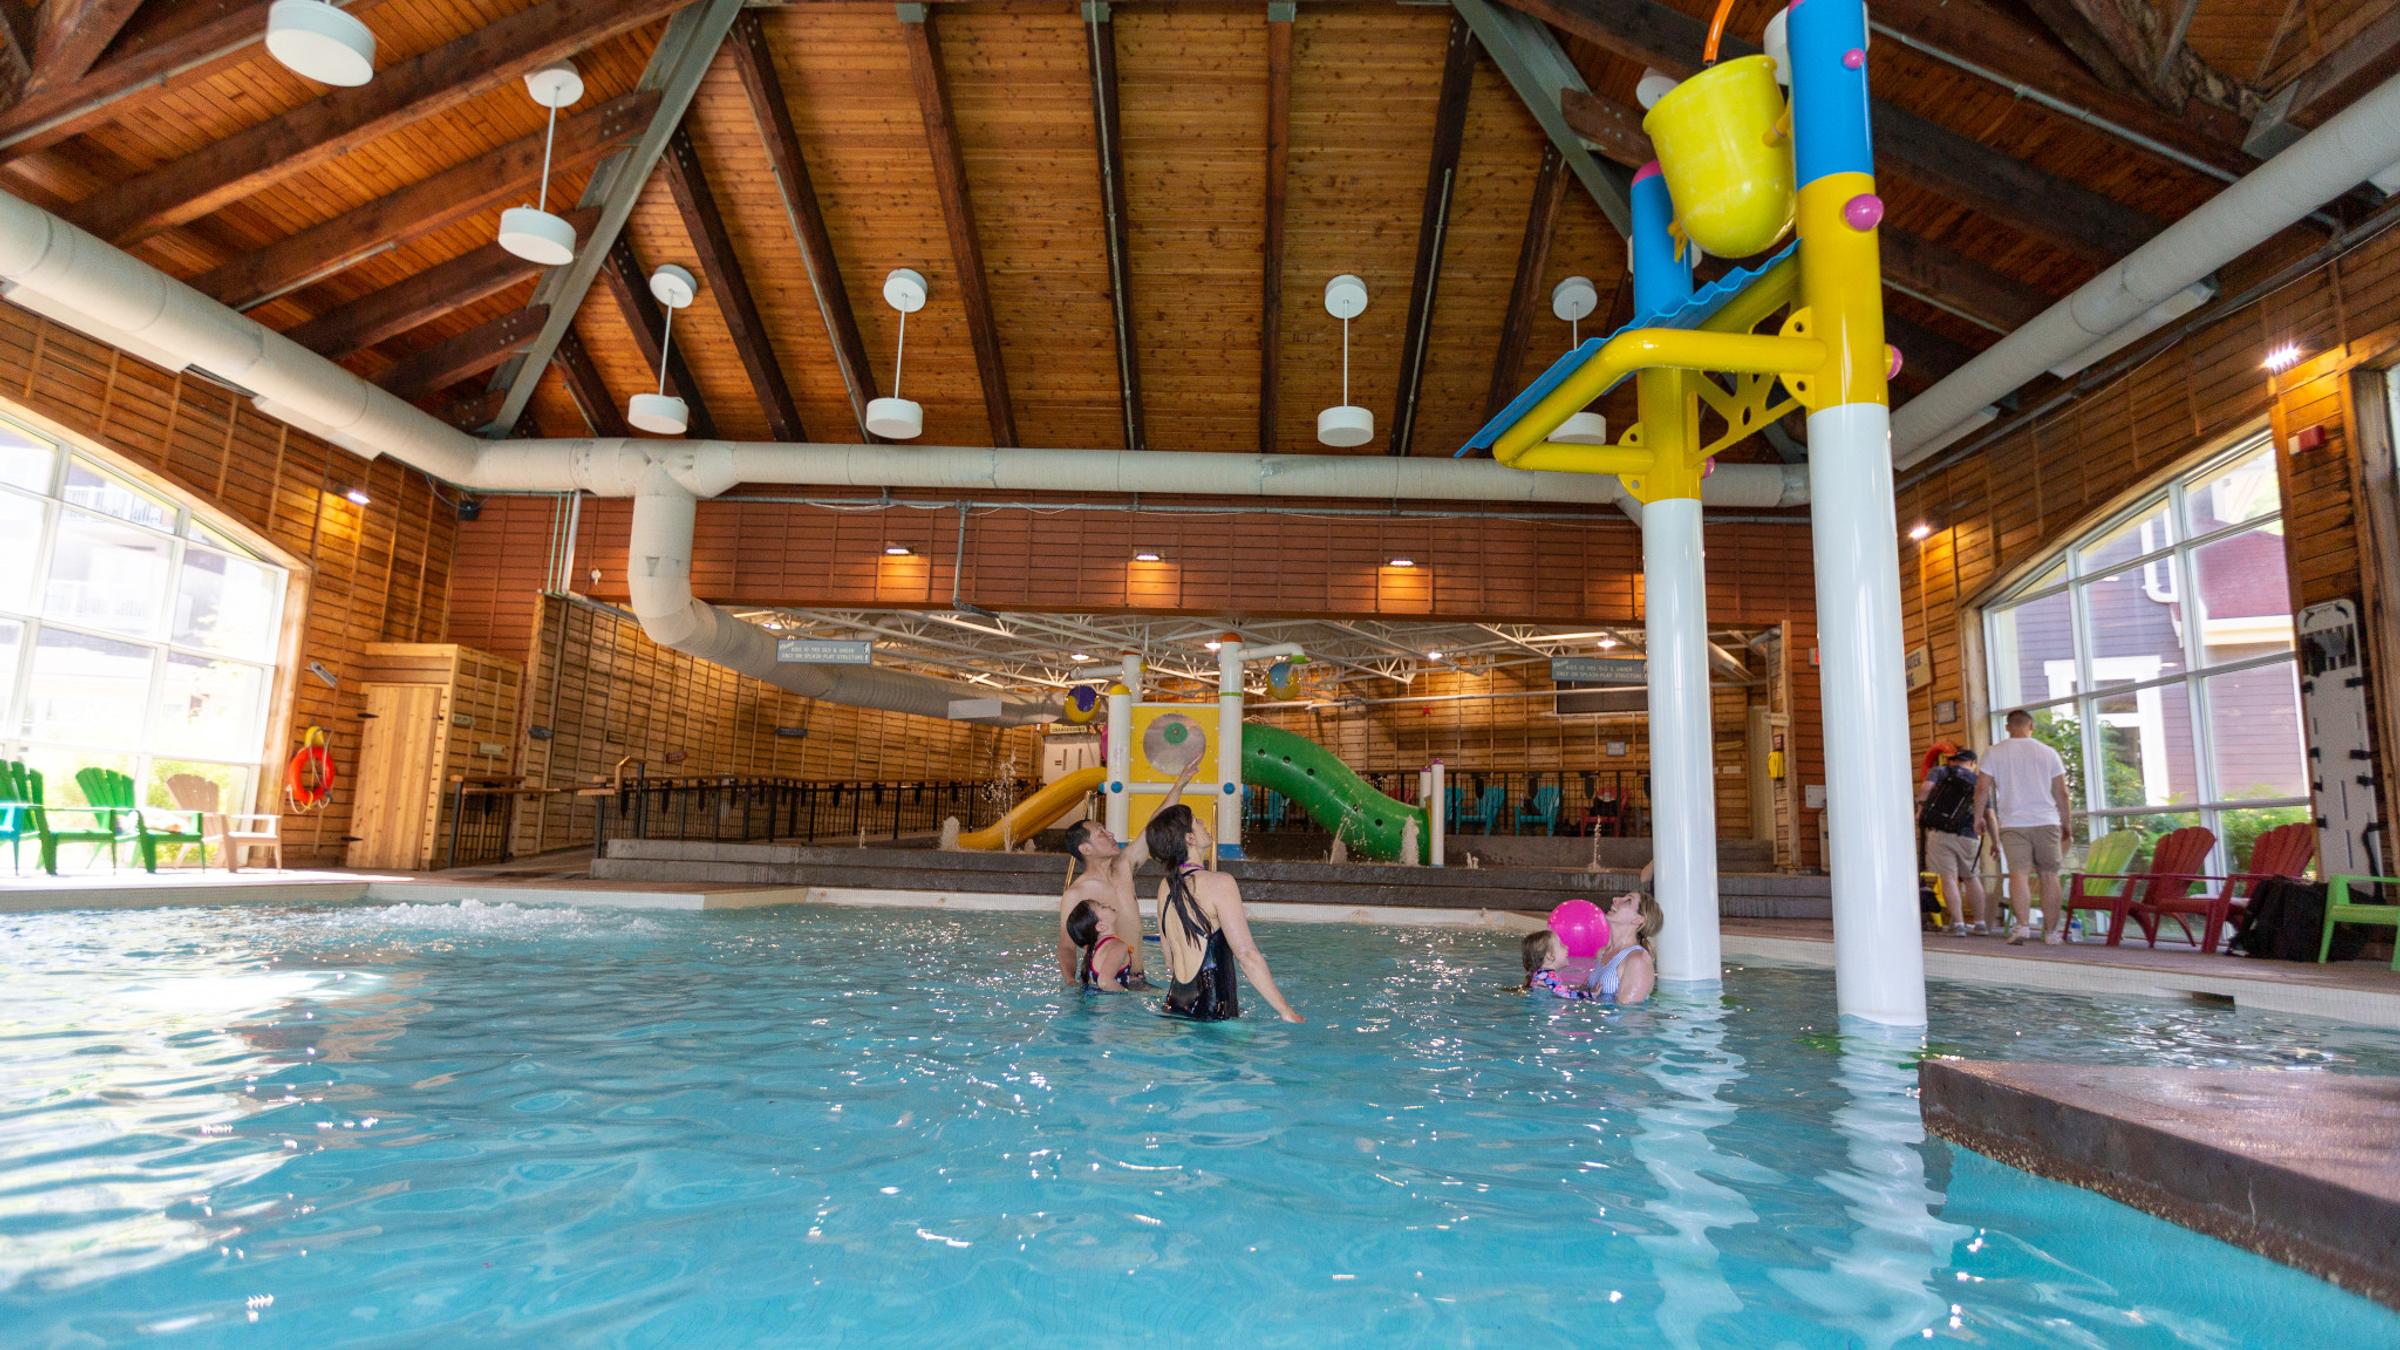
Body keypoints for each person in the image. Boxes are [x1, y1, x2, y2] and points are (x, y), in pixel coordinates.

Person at [1141, 804, 1303, 1023]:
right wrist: (1285, 1010)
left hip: (1176, 1002)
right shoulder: (1220, 883)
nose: (1203, 824)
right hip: (1211, 1008)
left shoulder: (1166, 886)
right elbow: (1247, 955)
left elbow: (1169, 958)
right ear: (1189, 838)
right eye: (1196, 821)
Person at [1056, 758, 1202, 986]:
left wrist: (1180, 784)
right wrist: (1070, 983)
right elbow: (1066, 945)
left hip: (1137, 980)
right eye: (1101, 834)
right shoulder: (1076, 893)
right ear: (1086, 849)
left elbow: (1154, 824)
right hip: (1107, 985)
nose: (1110, 834)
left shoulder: (1124, 865)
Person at [1976, 709, 2074, 945]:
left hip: (2013, 824)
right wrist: (2066, 822)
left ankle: (2022, 927)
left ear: (2008, 726)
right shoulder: (2048, 753)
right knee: (2049, 876)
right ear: (2032, 726)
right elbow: (2061, 792)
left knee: (2018, 875)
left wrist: (1977, 817)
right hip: (2046, 821)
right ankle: (2051, 933)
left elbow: (1981, 789)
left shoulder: (1993, 753)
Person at [1918, 746, 1996, 936]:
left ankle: (1959, 925)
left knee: (1949, 879)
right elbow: (1989, 815)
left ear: (1953, 760)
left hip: (1940, 832)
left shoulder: (1940, 772)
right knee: (1971, 877)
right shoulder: (1978, 781)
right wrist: (1996, 841)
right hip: (1968, 834)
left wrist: (1920, 810)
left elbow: (1926, 789)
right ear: (1972, 763)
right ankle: (1980, 924)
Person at [1591, 889, 1662, 1004]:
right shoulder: (1603, 953)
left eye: (1628, 901)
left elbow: (1629, 1014)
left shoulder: (1638, 960)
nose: (1615, 899)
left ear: (1638, 919)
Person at [1063, 899, 1134, 992]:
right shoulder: (1117, 946)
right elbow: (1104, 982)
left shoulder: (1094, 949)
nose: (1107, 904)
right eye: (1102, 907)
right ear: (1101, 926)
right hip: (1112, 1005)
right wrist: (1129, 994)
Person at [1520, 929, 1597, 1000]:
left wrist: (1579, 989)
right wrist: (1591, 994)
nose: (1566, 947)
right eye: (1561, 945)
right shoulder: (1549, 975)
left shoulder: (1541, 974)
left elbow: (1558, 990)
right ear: (1550, 955)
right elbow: (1565, 994)